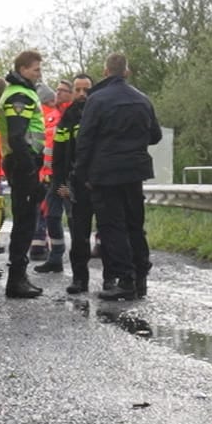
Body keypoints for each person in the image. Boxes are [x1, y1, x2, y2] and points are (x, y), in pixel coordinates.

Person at [72, 52, 162, 301]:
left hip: (106, 173)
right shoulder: (142, 99)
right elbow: (155, 135)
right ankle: (141, 276)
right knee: (135, 225)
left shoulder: (97, 100)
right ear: (127, 72)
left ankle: (125, 280)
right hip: (134, 172)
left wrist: (82, 173)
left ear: (105, 72)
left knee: (113, 227)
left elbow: (85, 140)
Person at [0, 50, 49, 299]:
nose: (39, 74)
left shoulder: (25, 92)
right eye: (36, 69)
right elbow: (17, 137)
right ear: (22, 69)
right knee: (24, 224)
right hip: (22, 165)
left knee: (27, 221)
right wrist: (30, 170)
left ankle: (20, 276)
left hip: (24, 164)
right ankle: (16, 279)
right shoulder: (19, 94)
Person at [50, 74, 104, 294]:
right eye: (78, 90)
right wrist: (60, 183)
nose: (82, 94)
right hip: (75, 185)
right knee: (78, 235)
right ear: (73, 92)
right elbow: (59, 155)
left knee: (106, 235)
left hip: (100, 183)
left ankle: (110, 280)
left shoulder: (101, 111)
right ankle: (79, 280)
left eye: (86, 89)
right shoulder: (68, 117)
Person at [34, 83, 68, 273]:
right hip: (54, 176)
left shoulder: (52, 116)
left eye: (62, 90)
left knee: (60, 215)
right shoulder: (56, 116)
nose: (58, 93)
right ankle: (56, 257)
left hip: (61, 176)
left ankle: (58, 256)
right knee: (52, 215)